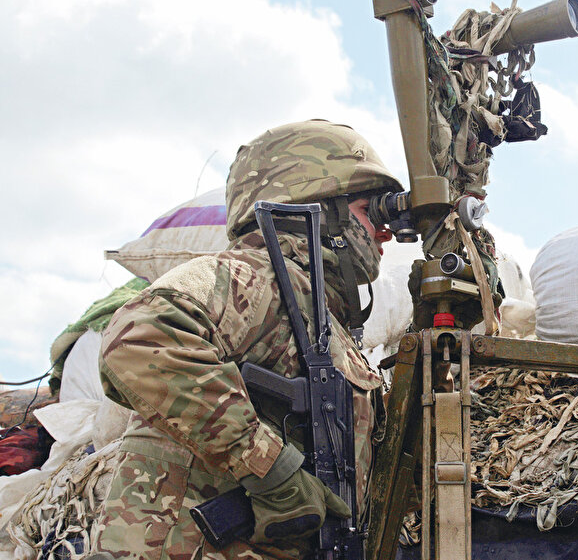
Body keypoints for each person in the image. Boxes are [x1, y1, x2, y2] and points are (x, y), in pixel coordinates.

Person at [92, 120, 402, 560]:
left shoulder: (324, 319)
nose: (385, 231)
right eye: (372, 211)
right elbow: (139, 337)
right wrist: (269, 467)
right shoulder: (258, 278)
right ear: (319, 206)